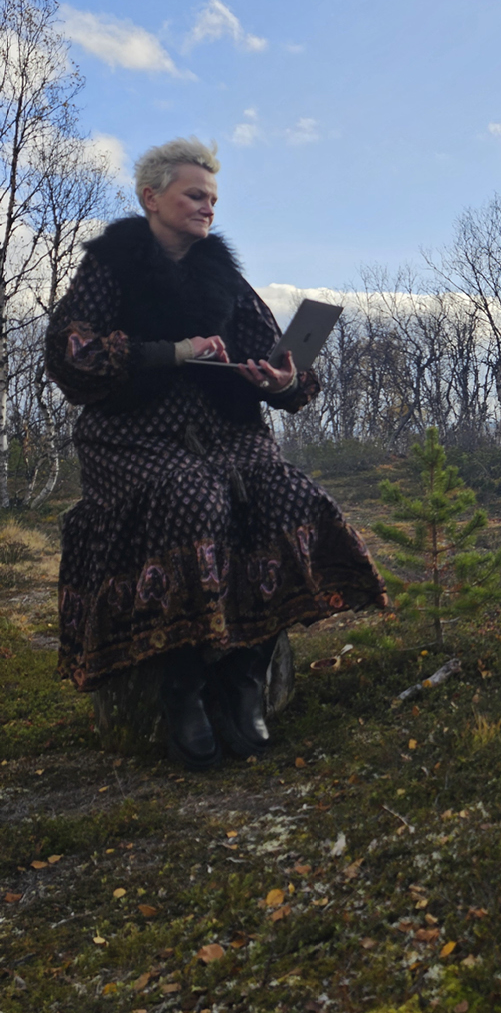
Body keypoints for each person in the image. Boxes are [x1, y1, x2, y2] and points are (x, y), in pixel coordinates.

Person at [46, 138, 386, 769]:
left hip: (229, 434)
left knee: (292, 496)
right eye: (194, 195)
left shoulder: (221, 274)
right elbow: (73, 357)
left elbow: (289, 366)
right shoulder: (110, 266)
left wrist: (281, 380)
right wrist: (171, 352)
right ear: (152, 198)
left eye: (213, 199)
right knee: (191, 500)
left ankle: (244, 676)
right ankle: (181, 687)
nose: (207, 208)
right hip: (134, 438)